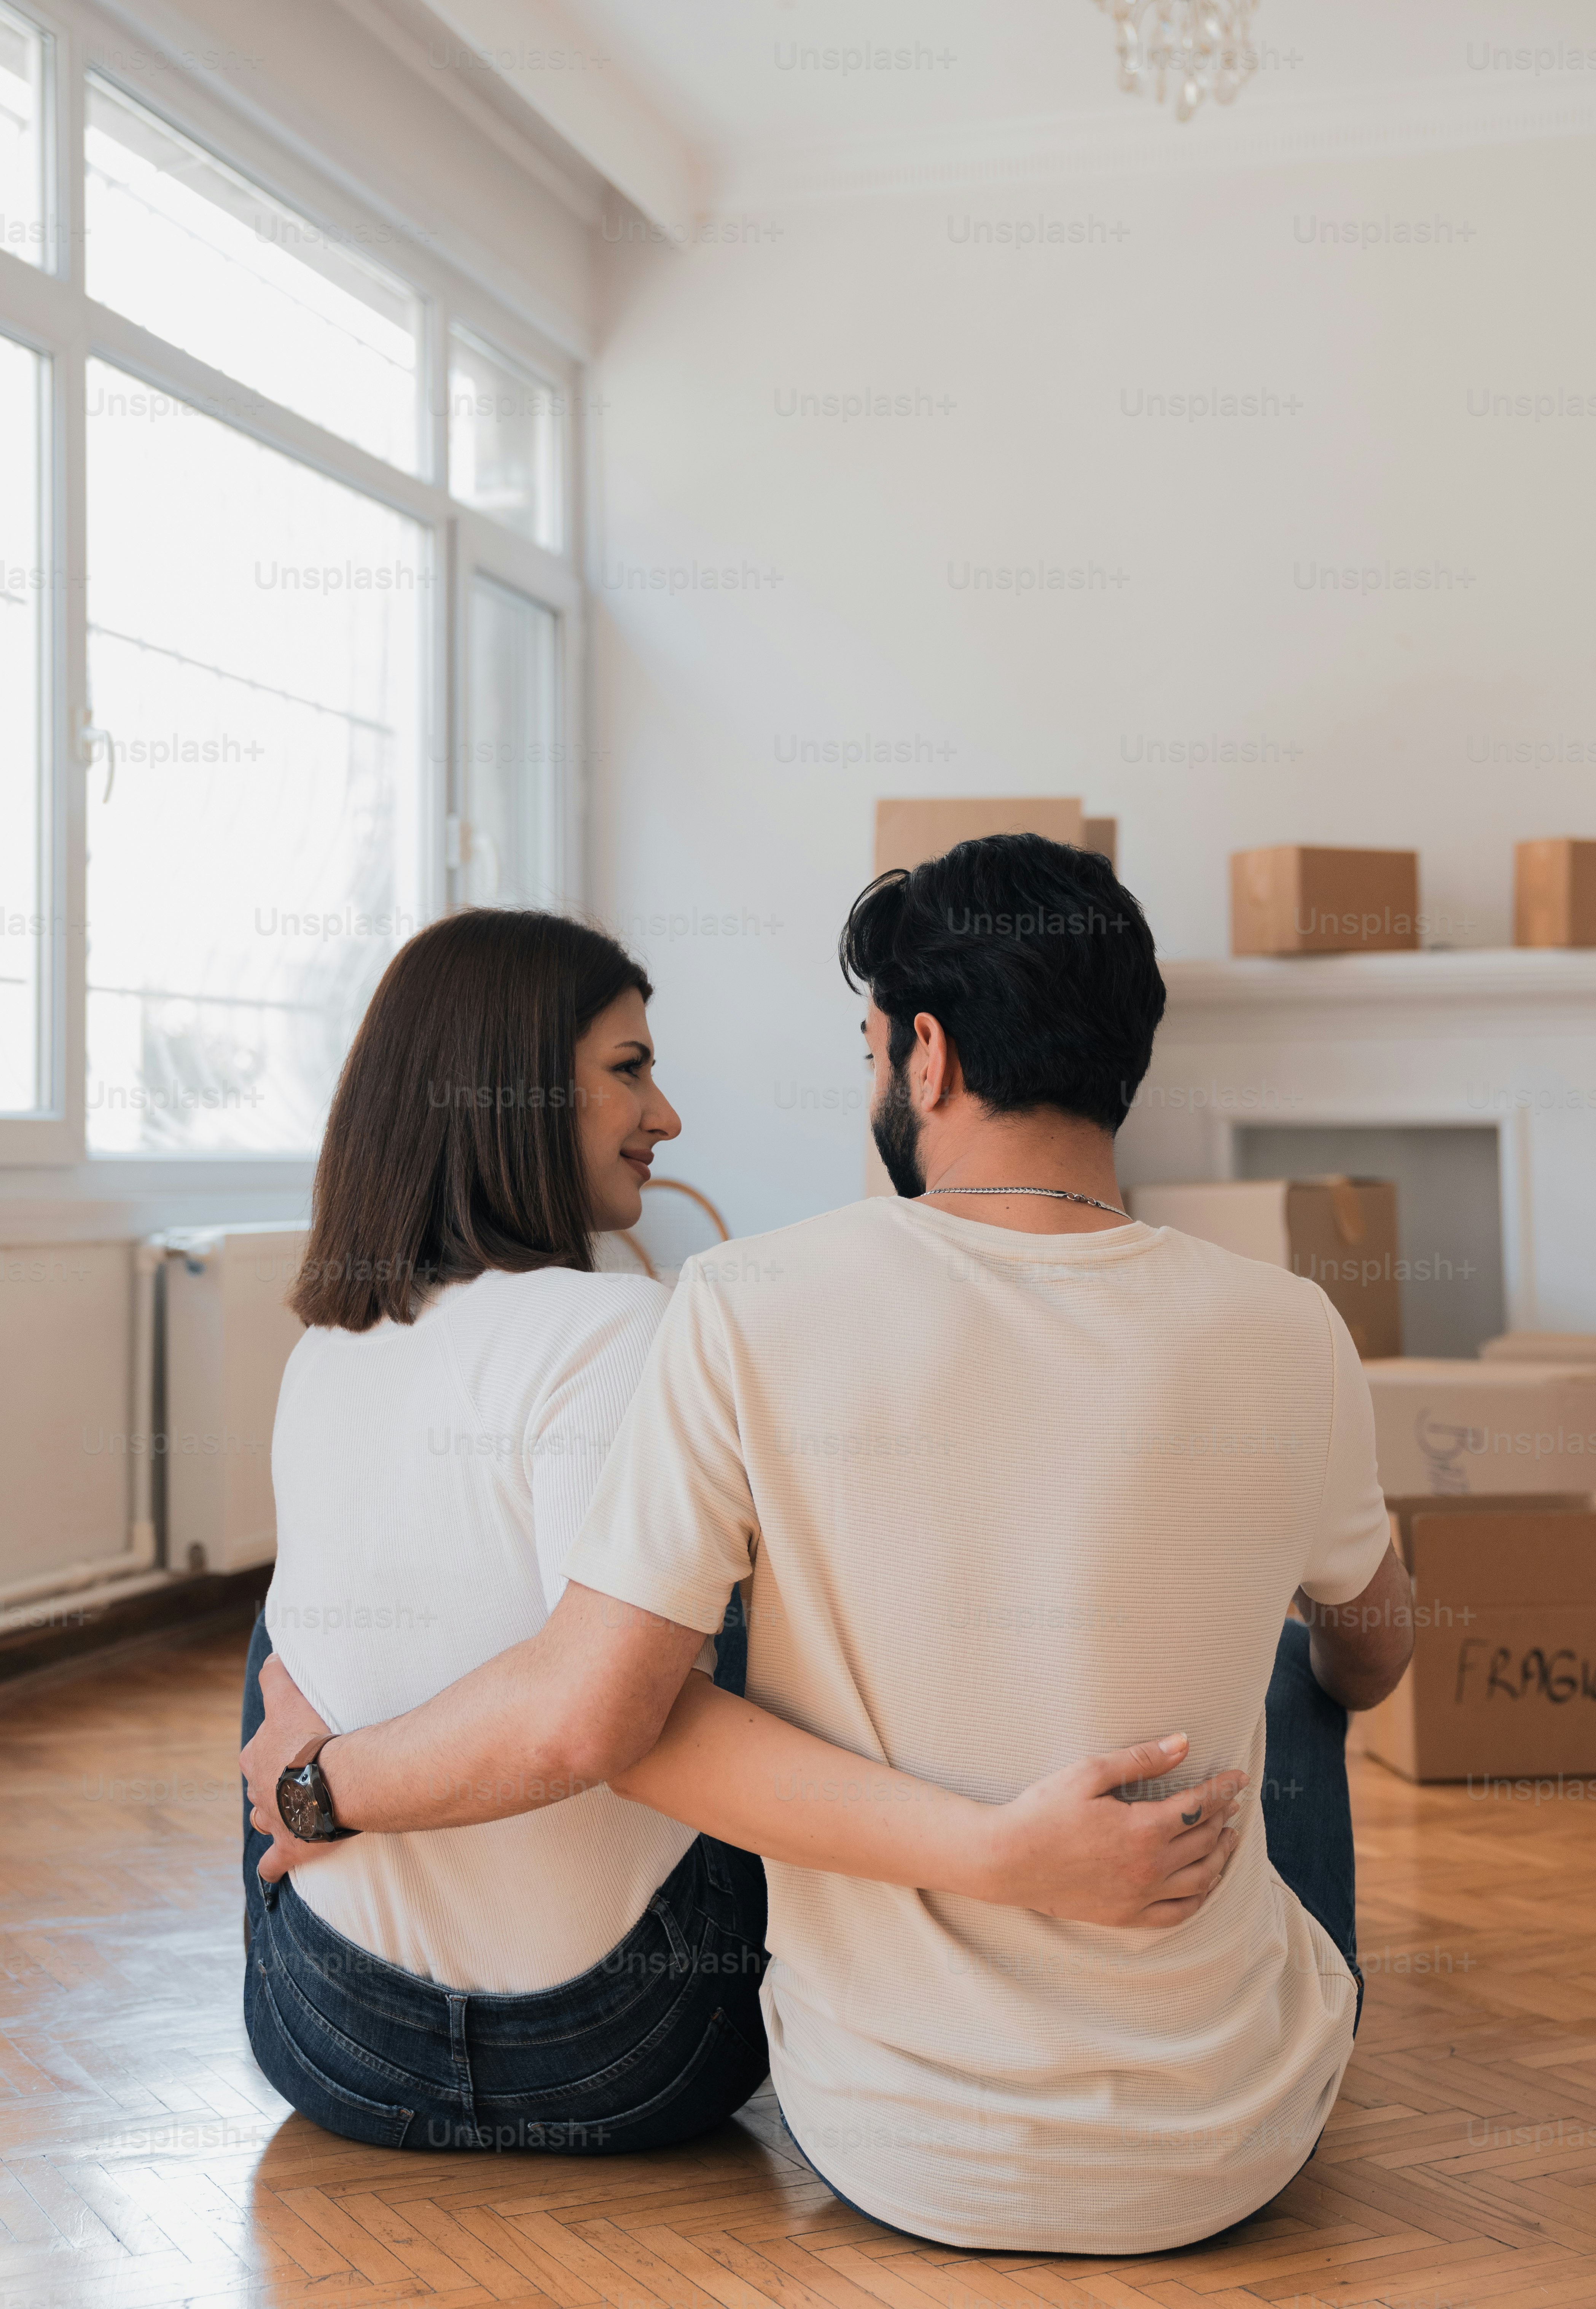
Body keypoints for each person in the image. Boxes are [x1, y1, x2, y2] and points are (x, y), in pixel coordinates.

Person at [246, 839, 1411, 2248]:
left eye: (869, 1045)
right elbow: (1380, 1653)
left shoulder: (742, 1303)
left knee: (637, 1627)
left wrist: (323, 1777)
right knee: (1305, 1659)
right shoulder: (1294, 1324)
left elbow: (610, 1713)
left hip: (883, 2141)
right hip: (1239, 2148)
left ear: (925, 1056)